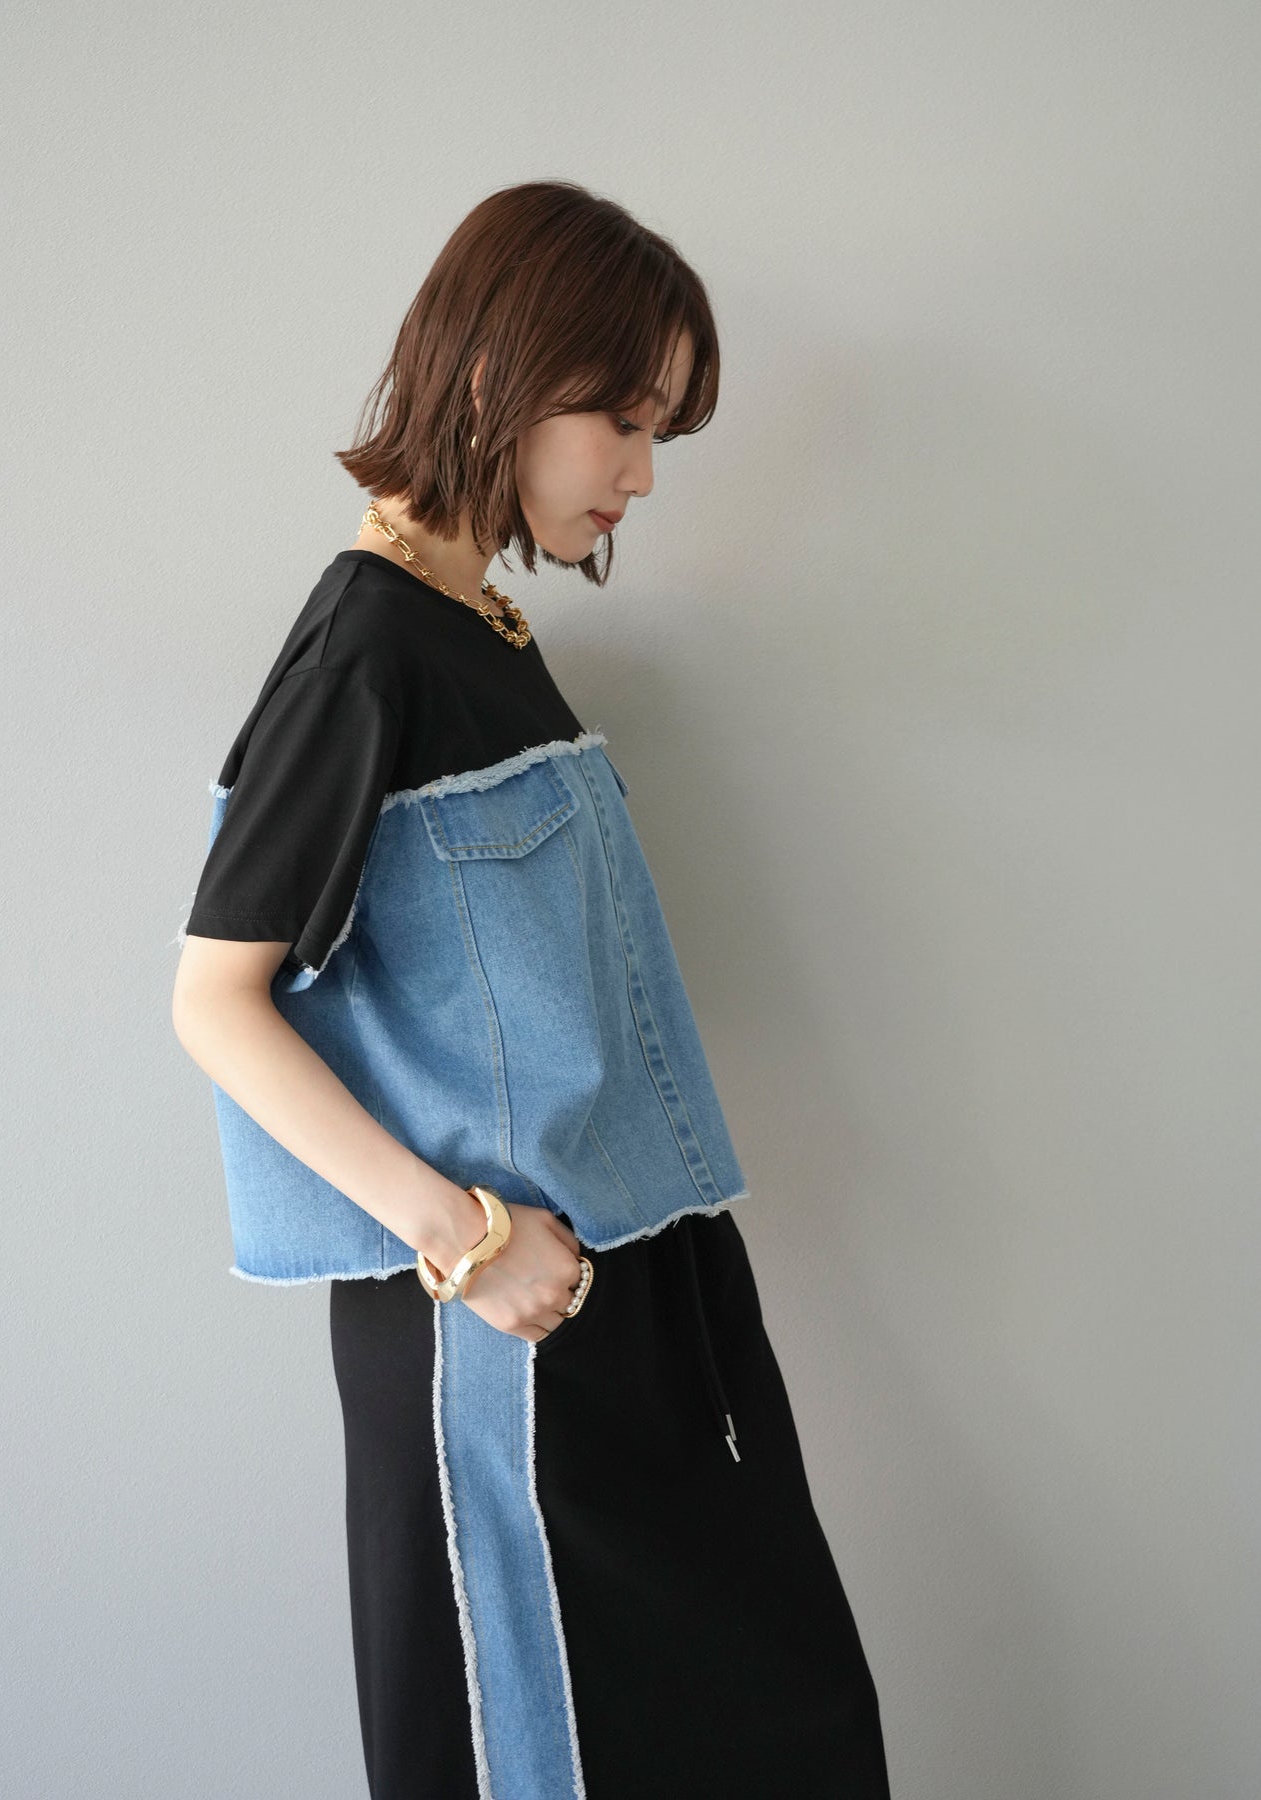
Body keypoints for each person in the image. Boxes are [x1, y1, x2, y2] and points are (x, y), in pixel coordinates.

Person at [171, 178, 891, 1800]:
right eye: (620, 421)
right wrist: (467, 1240)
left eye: (657, 432)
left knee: (767, 1724)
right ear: (498, 378)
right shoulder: (365, 653)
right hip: (505, 1316)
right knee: (538, 1757)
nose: (641, 473)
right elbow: (216, 999)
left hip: (627, 1285)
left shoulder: (476, 632)